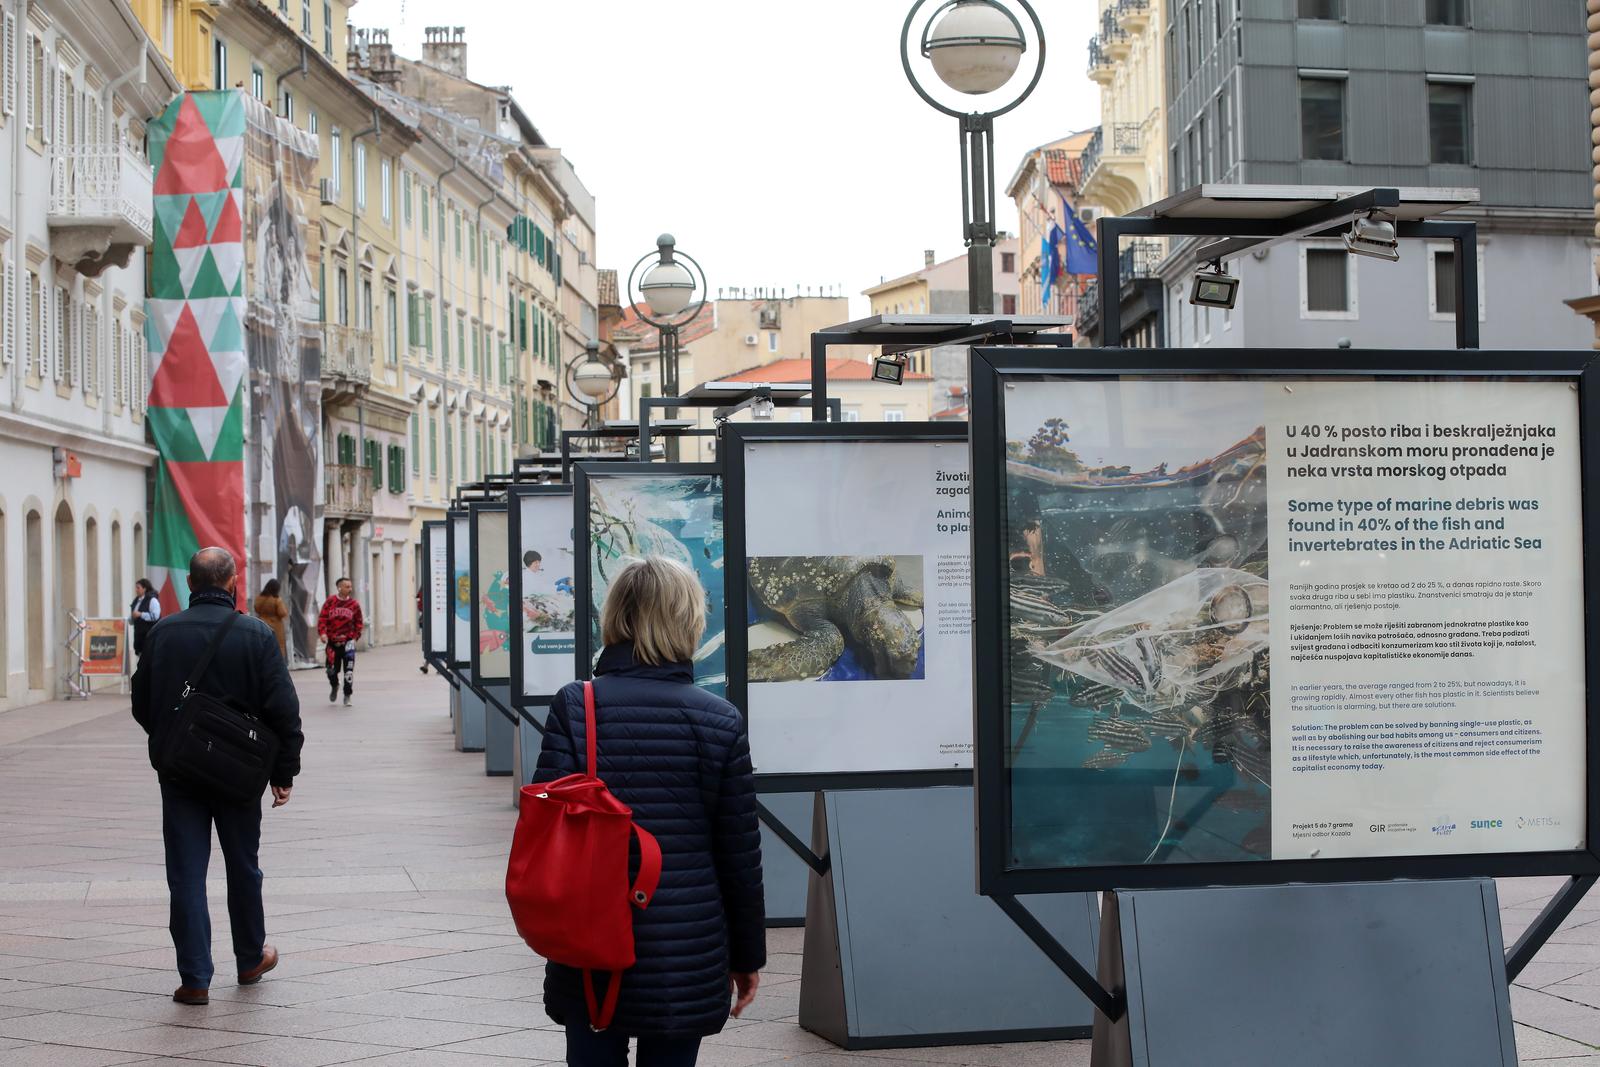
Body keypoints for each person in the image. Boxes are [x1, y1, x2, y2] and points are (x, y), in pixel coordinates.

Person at [534, 556, 765, 1067]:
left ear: (614, 615)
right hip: (687, 947)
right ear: (688, 619)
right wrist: (747, 956)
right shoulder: (720, 719)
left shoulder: (576, 706)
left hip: (591, 939)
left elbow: (547, 828)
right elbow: (739, 856)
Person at [130, 547, 303, 1007]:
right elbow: (284, 710)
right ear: (233, 583)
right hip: (239, 774)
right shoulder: (257, 635)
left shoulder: (163, 633)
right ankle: (250, 958)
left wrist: (172, 740)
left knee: (185, 873)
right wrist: (283, 771)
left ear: (190, 584)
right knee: (243, 866)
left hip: (180, 773)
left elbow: (141, 702)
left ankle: (195, 978)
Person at [317, 577, 364, 706]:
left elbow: (359, 623)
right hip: (332, 642)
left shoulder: (354, 605)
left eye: (350, 586)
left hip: (348, 642)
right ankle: (334, 685)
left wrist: (355, 637)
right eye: (347, 586)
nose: (350, 589)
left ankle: (347, 695)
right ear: (339, 588)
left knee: (348, 671)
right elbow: (322, 619)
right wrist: (322, 633)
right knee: (331, 670)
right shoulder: (330, 602)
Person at [253, 579, 290, 662]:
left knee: (263, 646)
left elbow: (256, 609)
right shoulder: (276, 600)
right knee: (277, 646)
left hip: (261, 623)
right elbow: (282, 613)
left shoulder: (259, 598)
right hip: (276, 626)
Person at [129, 578, 161, 659]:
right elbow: (132, 619)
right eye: (136, 588)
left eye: (138, 588)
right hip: (139, 637)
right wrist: (130, 618)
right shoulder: (136, 601)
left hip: (150, 636)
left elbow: (155, 616)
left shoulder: (152, 600)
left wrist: (141, 614)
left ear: (144, 588)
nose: (136, 590)